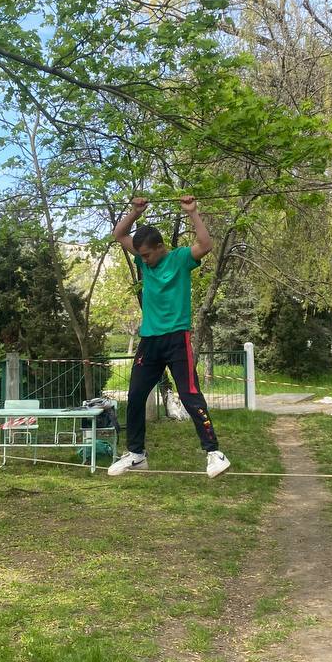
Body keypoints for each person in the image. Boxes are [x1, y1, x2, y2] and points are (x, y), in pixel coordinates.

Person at [108, 195, 230, 478]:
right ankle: (137, 455)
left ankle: (214, 452)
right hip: (149, 340)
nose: (143, 260)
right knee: (135, 395)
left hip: (176, 339)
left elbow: (206, 245)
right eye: (140, 256)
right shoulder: (144, 260)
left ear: (160, 248)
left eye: (147, 255)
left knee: (189, 395)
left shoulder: (180, 259)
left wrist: (193, 212)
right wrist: (135, 212)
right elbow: (119, 235)